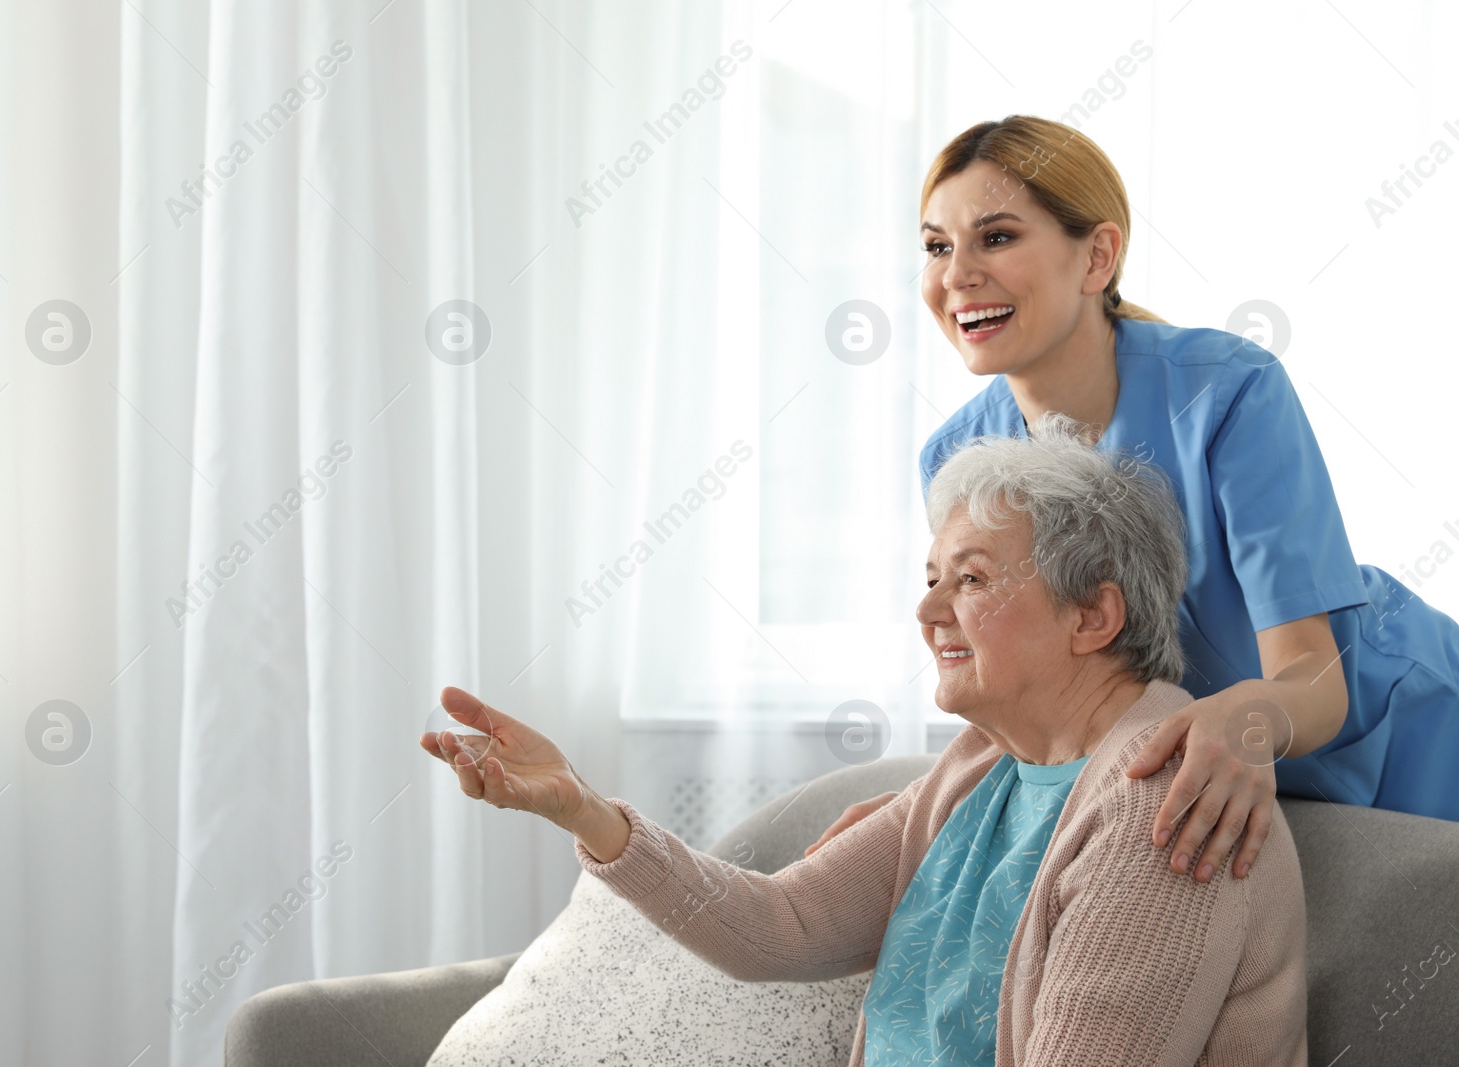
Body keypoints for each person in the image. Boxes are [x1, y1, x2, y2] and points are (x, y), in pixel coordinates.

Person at [421, 417, 1308, 1066]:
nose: (927, 613)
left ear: (1093, 615)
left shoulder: (1167, 795)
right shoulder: (982, 771)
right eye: (930, 579)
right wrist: (581, 805)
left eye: (969, 579)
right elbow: (781, 926)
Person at [808, 114, 1459, 884]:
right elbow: (1035, 692)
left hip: (1396, 725)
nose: (957, 275)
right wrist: (922, 811)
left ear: (1098, 255)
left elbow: (1313, 678)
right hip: (1210, 755)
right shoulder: (958, 460)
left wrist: (1241, 719)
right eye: (937, 246)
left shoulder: (1228, 392)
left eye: (998, 237)